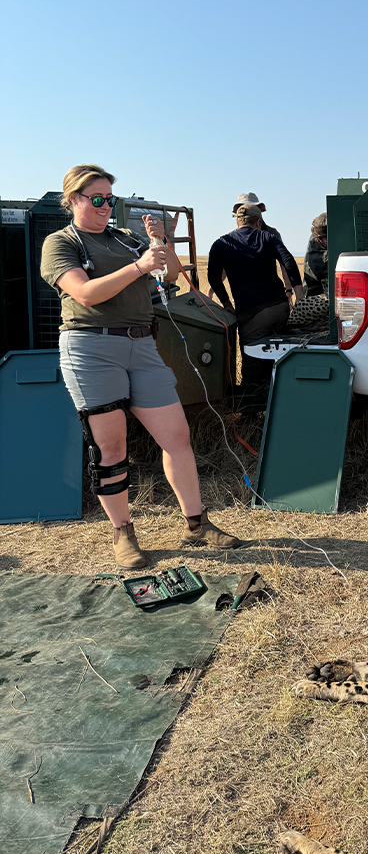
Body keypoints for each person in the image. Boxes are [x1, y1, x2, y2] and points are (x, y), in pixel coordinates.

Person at [40, 164, 241, 569]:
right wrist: (138, 266)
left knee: (176, 437)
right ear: (74, 199)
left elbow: (169, 276)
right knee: (112, 448)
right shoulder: (61, 243)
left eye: (110, 199)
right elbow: (85, 294)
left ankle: (197, 525)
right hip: (91, 350)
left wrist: (161, 245)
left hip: (141, 345)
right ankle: (123, 533)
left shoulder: (126, 238)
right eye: (98, 199)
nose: (106, 206)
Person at [207, 204, 302, 393]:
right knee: (269, 352)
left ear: (237, 221)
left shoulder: (221, 243)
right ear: (258, 222)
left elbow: (213, 277)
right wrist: (299, 296)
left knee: (251, 360)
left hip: (252, 313)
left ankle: (250, 408)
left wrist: (226, 303)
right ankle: (269, 394)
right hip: (279, 309)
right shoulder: (268, 237)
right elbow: (288, 261)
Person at [302, 212, 328, 296]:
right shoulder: (315, 254)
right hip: (316, 294)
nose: (323, 241)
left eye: (326, 237)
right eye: (320, 238)